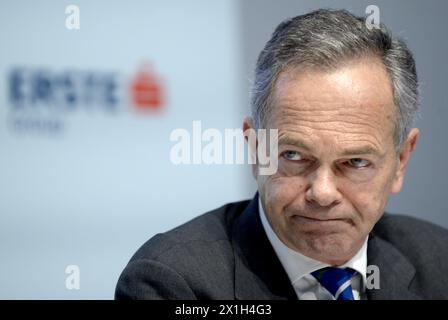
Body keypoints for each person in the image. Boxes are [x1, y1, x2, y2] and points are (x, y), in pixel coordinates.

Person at [115, 9, 448, 300]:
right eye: (294, 155)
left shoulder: (440, 262)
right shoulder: (173, 282)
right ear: (256, 151)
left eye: (355, 162)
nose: (322, 192)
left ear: (401, 161)